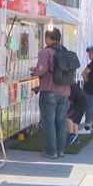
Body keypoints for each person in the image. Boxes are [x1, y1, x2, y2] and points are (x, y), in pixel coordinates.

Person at [30, 29, 71, 159]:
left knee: (48, 122)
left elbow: (40, 71)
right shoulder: (65, 51)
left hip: (49, 90)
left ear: (48, 37)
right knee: (61, 122)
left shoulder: (46, 52)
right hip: (64, 91)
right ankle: (61, 150)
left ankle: (51, 151)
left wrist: (33, 70)